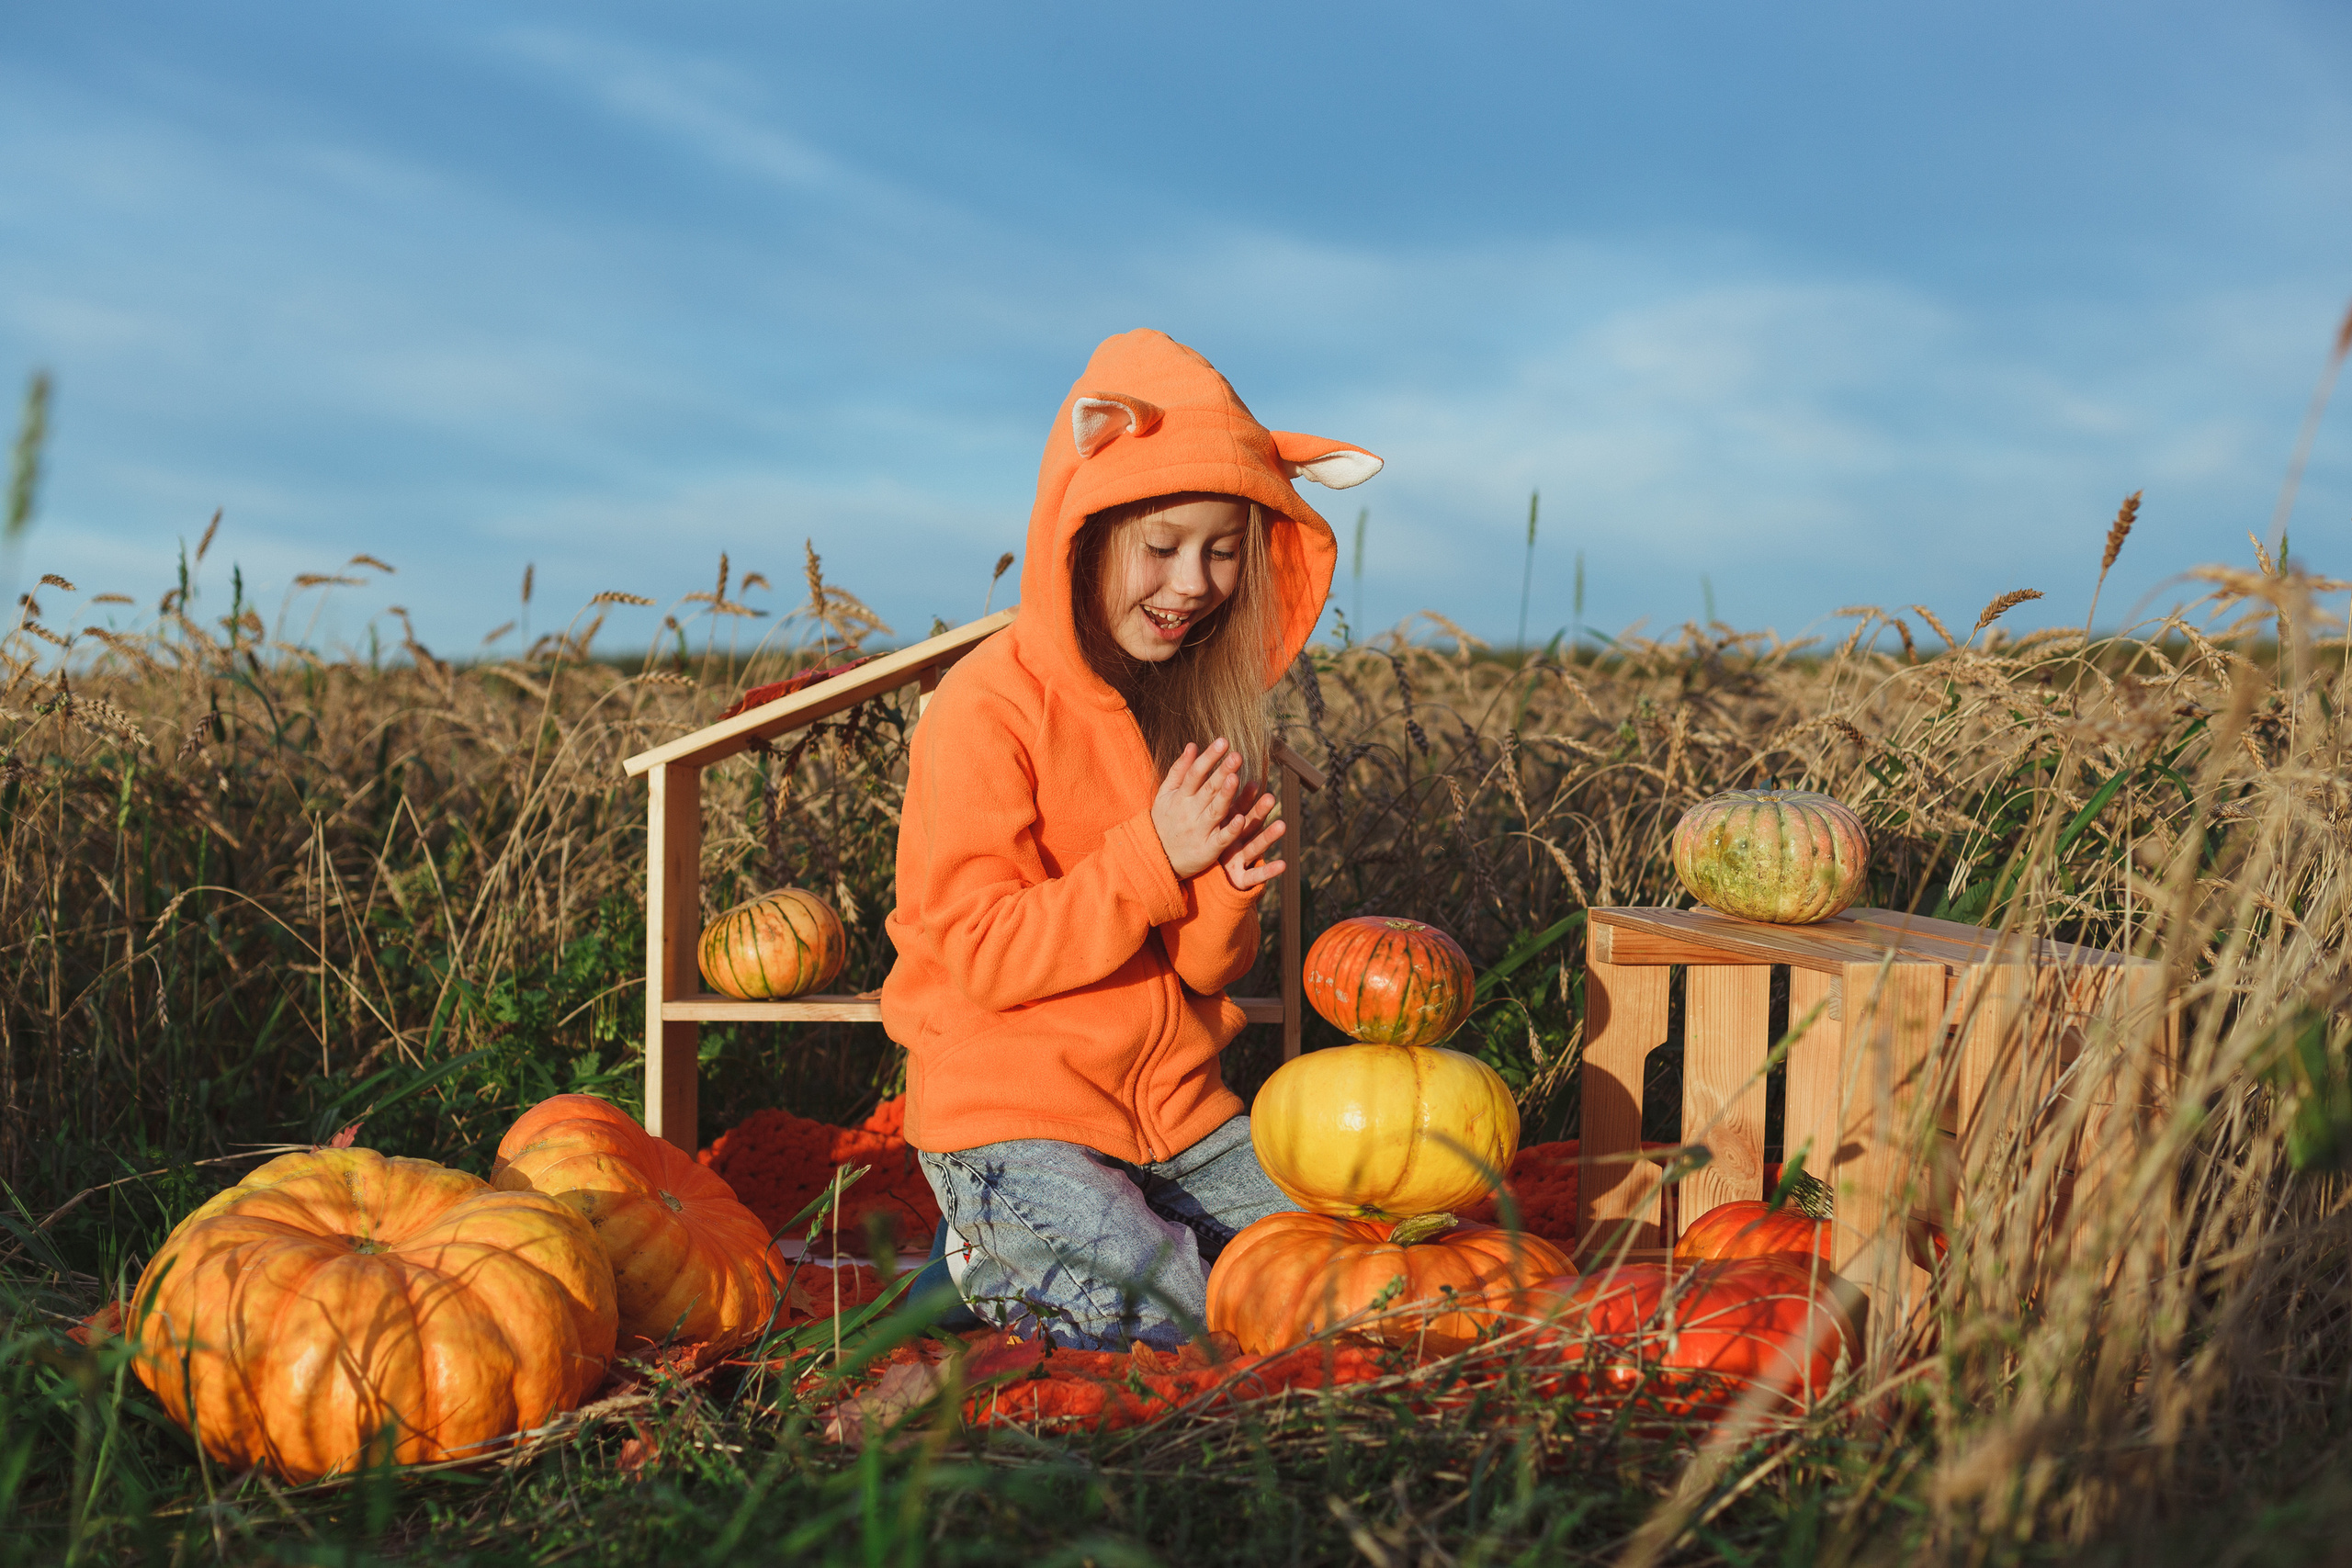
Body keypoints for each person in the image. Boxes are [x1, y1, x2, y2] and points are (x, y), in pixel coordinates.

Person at [880, 328, 1382, 1348]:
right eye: (1162, 546)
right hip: (1015, 1119)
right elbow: (979, 951)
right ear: (1086, 530)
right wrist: (1154, 860)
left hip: (1178, 1122)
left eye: (1223, 550)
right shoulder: (988, 709)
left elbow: (1204, 971)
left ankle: (1007, 1258)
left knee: (1344, 1286)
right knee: (1178, 1314)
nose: (1193, 582)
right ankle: (980, 1252)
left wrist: (1222, 894)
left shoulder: (1191, 709)